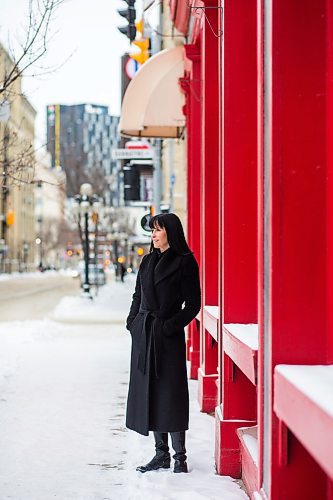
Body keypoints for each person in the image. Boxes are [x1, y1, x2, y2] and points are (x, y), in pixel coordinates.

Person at [125, 213, 201, 474]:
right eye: (152, 231)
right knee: (151, 392)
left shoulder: (185, 262)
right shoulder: (147, 261)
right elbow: (138, 294)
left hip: (167, 337)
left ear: (171, 232)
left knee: (172, 393)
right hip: (145, 334)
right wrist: (132, 322)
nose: (154, 235)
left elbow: (193, 305)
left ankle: (180, 458)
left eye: (158, 230)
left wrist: (169, 326)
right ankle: (161, 455)